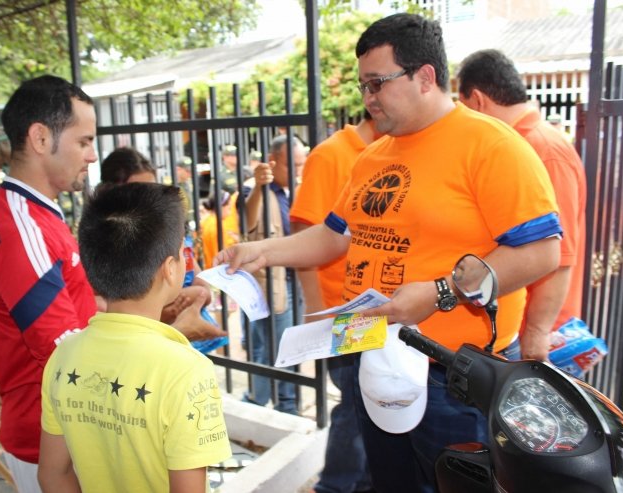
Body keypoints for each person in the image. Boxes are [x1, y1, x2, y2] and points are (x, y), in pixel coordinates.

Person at [215, 13, 562, 492]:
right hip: (371, 351)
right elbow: (335, 236)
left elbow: (542, 252)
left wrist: (440, 293)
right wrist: (262, 251)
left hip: (450, 373)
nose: (368, 97)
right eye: (363, 86)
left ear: (425, 76)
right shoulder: (373, 157)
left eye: (377, 82)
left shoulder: (491, 146)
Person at [38, 182, 231, 492]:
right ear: (170, 269)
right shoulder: (187, 371)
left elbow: (52, 474)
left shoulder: (63, 356)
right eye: (184, 250)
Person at [0, 75, 99, 491]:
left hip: (64, 429)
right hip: (51, 439)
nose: (92, 156)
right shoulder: (20, 230)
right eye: (84, 142)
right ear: (41, 138)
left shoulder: (35, 216)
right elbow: (67, 354)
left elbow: (76, 309)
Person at [456, 49, 587, 361]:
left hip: (539, 332)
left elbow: (559, 252)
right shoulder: (521, 143)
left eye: (462, 108)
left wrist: (536, 333)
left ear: (477, 101)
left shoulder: (541, 149)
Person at [290, 111, 381, 493]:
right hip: (342, 308)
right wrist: (315, 313)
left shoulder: (387, 152)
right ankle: (334, 486)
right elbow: (305, 231)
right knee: (356, 407)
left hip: (376, 307)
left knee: (372, 405)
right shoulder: (332, 155)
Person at [98, 147, 227, 344]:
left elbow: (202, 288)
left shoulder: (167, 230)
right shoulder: (104, 246)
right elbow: (109, 310)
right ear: (112, 192)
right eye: (138, 191)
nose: (149, 200)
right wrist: (168, 306)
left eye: (152, 190)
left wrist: (192, 296)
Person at [241, 135, 306, 415]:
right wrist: (258, 185)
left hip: (298, 278)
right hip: (273, 284)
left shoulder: (298, 189)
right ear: (273, 162)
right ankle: (263, 402)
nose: (298, 171)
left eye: (302, 165)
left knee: (287, 346)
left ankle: (282, 403)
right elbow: (248, 218)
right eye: (293, 165)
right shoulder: (256, 190)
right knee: (273, 348)